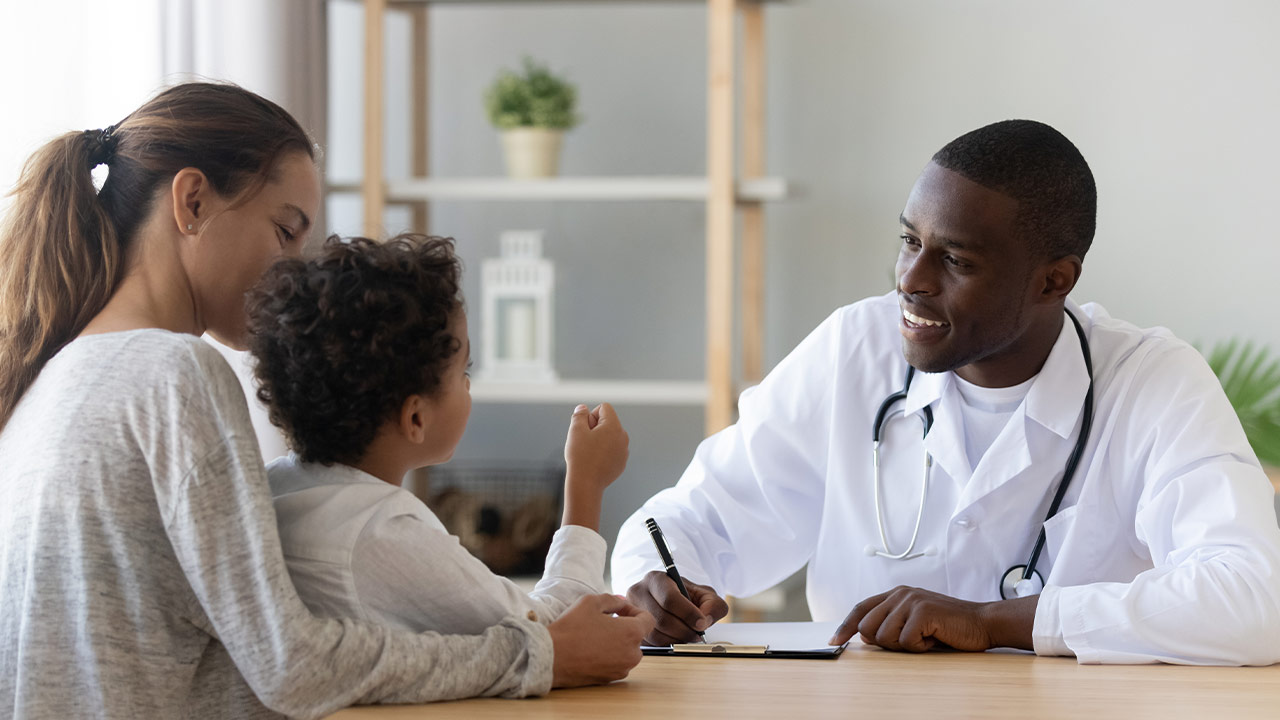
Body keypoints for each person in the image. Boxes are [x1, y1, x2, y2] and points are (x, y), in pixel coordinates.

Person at [0, 82, 651, 720]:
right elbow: (293, 666)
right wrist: (538, 655)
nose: (292, 270)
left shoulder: (47, 379)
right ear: (192, 200)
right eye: (286, 231)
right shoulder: (173, 374)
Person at [611, 119, 1280, 665]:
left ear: (1055, 281)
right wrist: (657, 583)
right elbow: (695, 519)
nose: (911, 279)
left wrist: (996, 622)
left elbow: (1253, 601)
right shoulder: (856, 349)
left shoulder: (1151, 382)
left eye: (956, 260)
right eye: (909, 241)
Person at [244, 233, 630, 635]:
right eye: (463, 371)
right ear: (415, 419)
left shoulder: (271, 490)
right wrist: (586, 483)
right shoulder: (385, 534)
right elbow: (549, 629)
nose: (467, 385)